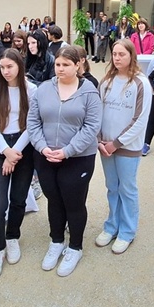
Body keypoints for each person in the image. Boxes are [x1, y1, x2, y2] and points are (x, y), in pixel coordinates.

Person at [27, 46, 102, 277]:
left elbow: (92, 127)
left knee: (74, 202)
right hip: (46, 155)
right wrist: (42, 147)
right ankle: (56, 241)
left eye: (66, 65)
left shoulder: (89, 92)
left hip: (78, 157)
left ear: (78, 65)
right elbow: (33, 121)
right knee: (54, 200)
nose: (60, 69)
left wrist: (68, 151)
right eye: (58, 64)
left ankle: (75, 247)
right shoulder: (43, 89)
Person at [94, 39, 151, 254]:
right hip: (105, 146)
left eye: (122, 54)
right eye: (115, 54)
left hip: (126, 147)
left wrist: (116, 143)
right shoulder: (106, 81)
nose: (117, 58)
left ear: (131, 56)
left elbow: (140, 119)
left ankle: (127, 231)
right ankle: (112, 226)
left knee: (127, 188)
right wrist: (100, 140)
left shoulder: (141, 83)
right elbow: (97, 111)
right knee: (112, 187)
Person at [0, 49, 37, 280]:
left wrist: (15, 152)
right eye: (2, 67)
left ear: (19, 66)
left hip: (24, 147)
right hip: (1, 148)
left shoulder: (31, 89)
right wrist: (6, 151)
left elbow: (32, 125)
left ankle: (12, 236)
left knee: (18, 199)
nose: (5, 72)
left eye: (10, 67)